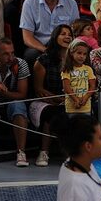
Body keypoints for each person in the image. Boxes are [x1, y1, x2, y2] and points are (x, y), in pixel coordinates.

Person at [31, 24, 72, 166]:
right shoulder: (43, 60)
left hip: (68, 100)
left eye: (69, 34)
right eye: (63, 34)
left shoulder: (74, 59)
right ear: (55, 37)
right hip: (43, 101)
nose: (67, 37)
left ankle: (72, 155)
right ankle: (44, 152)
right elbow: (39, 90)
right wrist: (57, 99)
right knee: (53, 112)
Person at [0, 38, 30, 167]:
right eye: (6, 54)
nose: (10, 57)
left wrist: (4, 93)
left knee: (18, 106)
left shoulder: (21, 64)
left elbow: (22, 94)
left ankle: (21, 152)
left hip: (10, 102)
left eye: (12, 53)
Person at [20, 0, 79, 66]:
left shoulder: (71, 3)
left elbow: (76, 32)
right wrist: (46, 50)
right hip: (40, 46)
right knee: (30, 55)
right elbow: (27, 38)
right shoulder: (29, 4)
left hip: (64, 45)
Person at [61, 38, 96, 117]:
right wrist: (75, 99)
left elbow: (92, 86)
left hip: (86, 106)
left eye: (84, 54)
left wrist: (85, 98)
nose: (82, 56)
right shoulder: (67, 69)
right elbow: (66, 87)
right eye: (79, 53)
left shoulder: (88, 69)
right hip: (71, 107)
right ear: (71, 53)